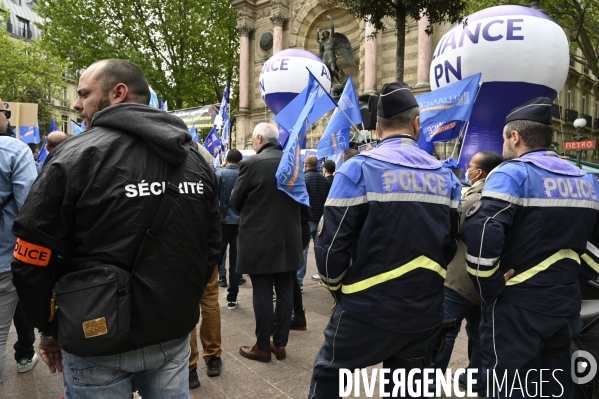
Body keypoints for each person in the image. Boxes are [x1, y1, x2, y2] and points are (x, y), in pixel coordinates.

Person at [10, 59, 221, 398]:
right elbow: (212, 248)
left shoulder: (72, 156)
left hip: (95, 334)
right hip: (170, 330)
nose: (77, 105)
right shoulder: (195, 159)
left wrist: (49, 329)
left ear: (118, 93)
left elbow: (31, 259)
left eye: (84, 94)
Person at [308, 82, 461, 397]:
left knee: (330, 378)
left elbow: (330, 249)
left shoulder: (358, 170)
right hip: (424, 308)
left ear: (376, 128)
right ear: (416, 124)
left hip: (366, 307)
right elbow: (448, 244)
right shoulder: (446, 177)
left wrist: (340, 290)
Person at [462, 97, 599, 399]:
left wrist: (489, 287)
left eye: (504, 139)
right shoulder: (586, 180)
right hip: (564, 302)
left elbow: (483, 232)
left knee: (510, 388)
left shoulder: (512, 174)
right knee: (554, 386)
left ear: (515, 136)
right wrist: (572, 275)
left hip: (517, 306)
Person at [433, 150, 503, 395]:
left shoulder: (476, 198)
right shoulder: (503, 194)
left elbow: (453, 228)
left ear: (480, 172)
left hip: (461, 279)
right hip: (489, 281)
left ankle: (431, 381)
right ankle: (478, 379)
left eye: (470, 165)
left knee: (445, 331)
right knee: (480, 333)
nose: (467, 168)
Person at [231, 122, 302, 363]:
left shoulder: (251, 164)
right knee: (285, 290)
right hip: (288, 237)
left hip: (259, 237)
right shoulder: (293, 161)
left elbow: (235, 200)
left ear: (260, 138)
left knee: (262, 290)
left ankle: (262, 346)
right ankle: (280, 344)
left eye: (253, 139)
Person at [0, 99, 37, 384]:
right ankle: (25, 354)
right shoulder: (15, 150)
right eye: (5, 111)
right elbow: (30, 210)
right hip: (7, 256)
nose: (9, 117)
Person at [215, 149, 243, 308]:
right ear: (239, 162)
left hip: (222, 222)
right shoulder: (244, 175)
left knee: (217, 258)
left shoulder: (219, 175)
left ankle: (211, 296)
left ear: (226, 160)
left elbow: (212, 200)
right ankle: (232, 297)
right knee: (236, 261)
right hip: (240, 224)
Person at [298, 154, 330, 289]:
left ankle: (298, 281)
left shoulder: (304, 180)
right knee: (320, 248)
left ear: (305, 164)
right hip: (321, 219)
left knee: (303, 249)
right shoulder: (324, 180)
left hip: (308, 219)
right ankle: (323, 276)